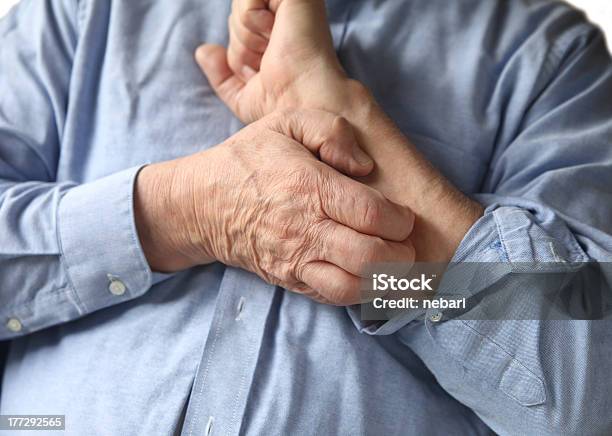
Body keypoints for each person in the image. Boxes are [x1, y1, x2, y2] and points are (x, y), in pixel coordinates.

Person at [1, 0, 611, 434]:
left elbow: (588, 394)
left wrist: (343, 116)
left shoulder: (546, 58)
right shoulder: (78, 13)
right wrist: (183, 212)